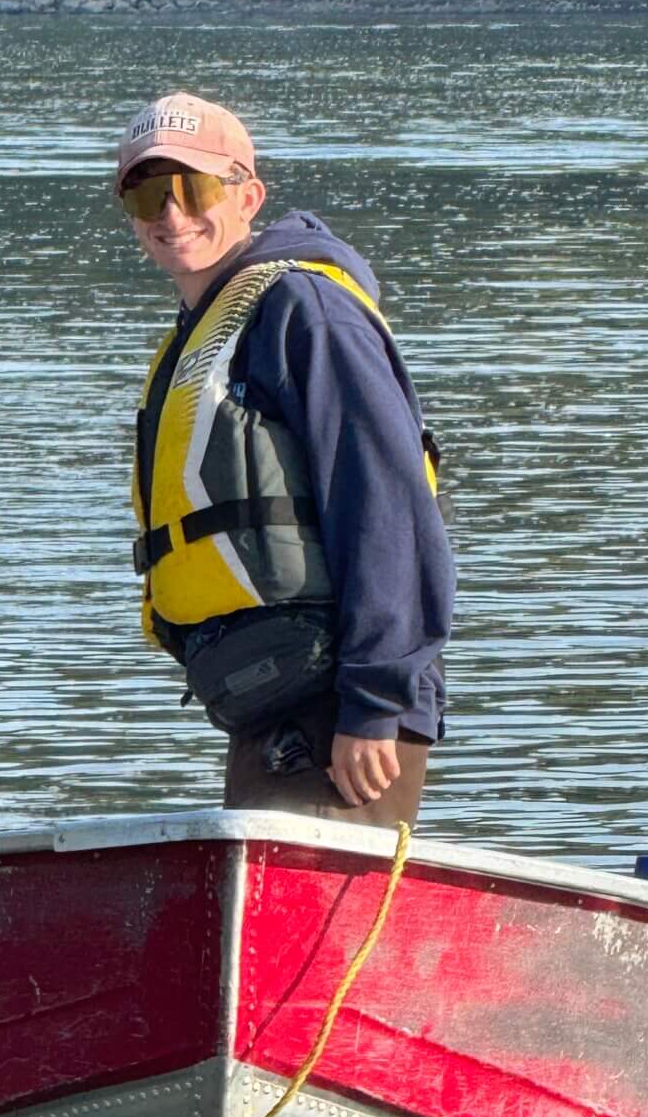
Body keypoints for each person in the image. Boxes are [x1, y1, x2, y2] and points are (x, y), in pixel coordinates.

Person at [120, 90, 455, 829]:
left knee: (315, 937)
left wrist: (373, 703)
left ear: (248, 196)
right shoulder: (206, 329)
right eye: (148, 193)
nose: (172, 213)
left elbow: (388, 506)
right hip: (265, 691)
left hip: (343, 701)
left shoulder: (306, 308)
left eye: (194, 188)